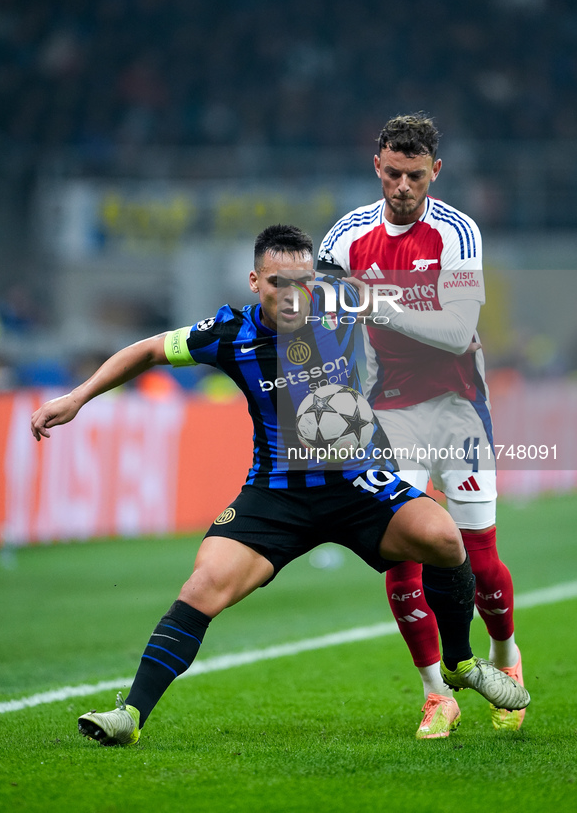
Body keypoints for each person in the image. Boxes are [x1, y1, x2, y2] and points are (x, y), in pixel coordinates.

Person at [30, 224, 529, 747]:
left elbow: (429, 329)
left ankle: (458, 663)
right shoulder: (228, 333)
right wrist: (78, 398)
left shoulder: (345, 302)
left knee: (446, 539)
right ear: (253, 281)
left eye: (302, 280)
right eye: (276, 282)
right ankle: (130, 714)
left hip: (356, 482)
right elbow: (149, 351)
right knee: (202, 587)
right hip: (277, 494)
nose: (291, 293)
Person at [317, 114, 525, 740]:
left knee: (479, 558)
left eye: (414, 175)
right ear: (376, 167)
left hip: (458, 405)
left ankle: (506, 654)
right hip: (389, 411)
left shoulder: (458, 232)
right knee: (401, 558)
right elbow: (326, 318)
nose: (402, 186)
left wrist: (375, 300)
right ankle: (438, 694)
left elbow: (458, 331)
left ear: (436, 171)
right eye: (391, 173)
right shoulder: (345, 236)